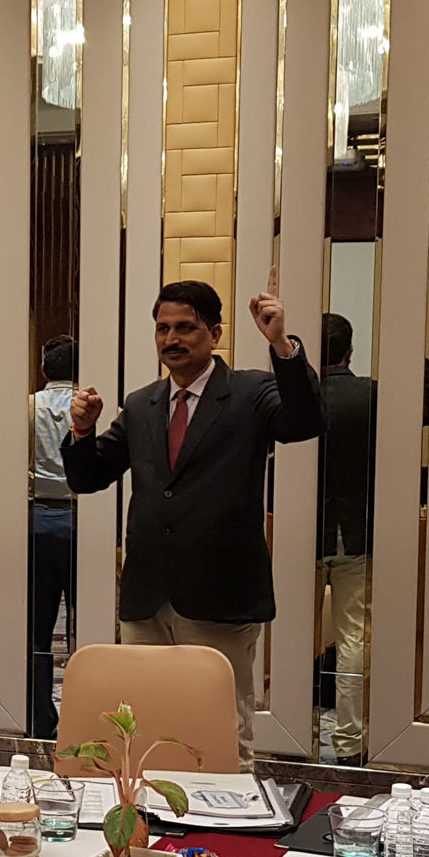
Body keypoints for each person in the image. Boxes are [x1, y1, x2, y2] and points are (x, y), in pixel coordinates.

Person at [62, 271, 325, 769]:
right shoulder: (142, 404)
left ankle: (228, 816)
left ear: (215, 334)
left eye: (185, 328)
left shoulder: (250, 392)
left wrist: (281, 345)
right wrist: (82, 431)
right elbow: (89, 477)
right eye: (163, 329)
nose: (172, 339)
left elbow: (305, 421)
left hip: (220, 595)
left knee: (221, 731)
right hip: (147, 597)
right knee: (141, 727)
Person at [315, 313, 377, 764]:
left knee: (294, 634)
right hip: (356, 531)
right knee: (352, 636)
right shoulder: (371, 395)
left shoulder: (295, 396)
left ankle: (291, 730)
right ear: (349, 351)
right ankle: (350, 741)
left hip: (304, 532)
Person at [28, 336, 79, 739]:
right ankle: (84, 716)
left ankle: (39, 719)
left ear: (44, 368)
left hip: (36, 521)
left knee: (37, 630)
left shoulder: (26, 406)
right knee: (89, 626)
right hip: (82, 523)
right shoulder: (93, 407)